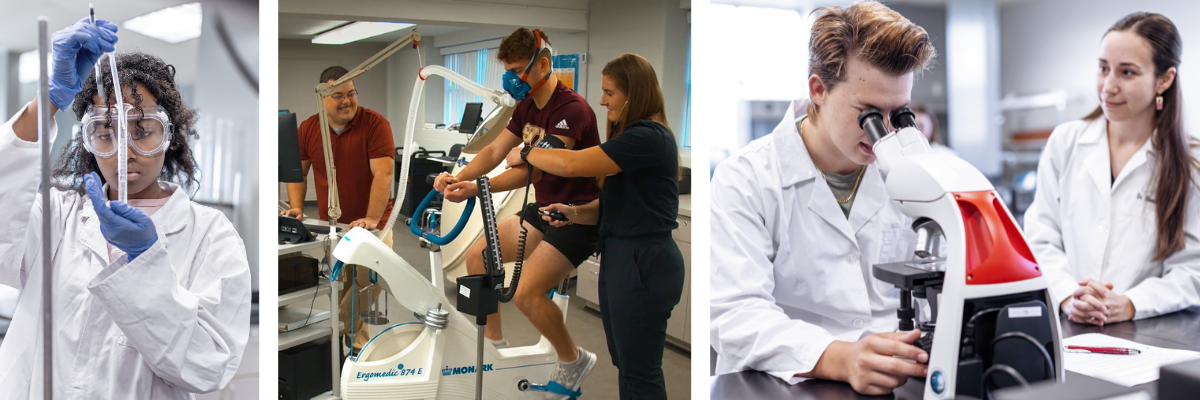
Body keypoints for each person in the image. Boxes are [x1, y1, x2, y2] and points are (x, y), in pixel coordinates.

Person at [0, 18, 250, 398]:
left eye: (142, 130)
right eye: (105, 132)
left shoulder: (210, 235)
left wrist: (145, 261)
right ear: (89, 141)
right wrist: (47, 100)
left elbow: (208, 365)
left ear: (169, 137)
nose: (123, 150)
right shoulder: (58, 216)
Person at [709, 1, 937, 395]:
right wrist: (841, 357)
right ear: (818, 89)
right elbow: (734, 314)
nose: (885, 131)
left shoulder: (913, 172)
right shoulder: (746, 178)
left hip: (894, 381)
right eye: (868, 113)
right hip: (784, 384)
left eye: (899, 115)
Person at [432, 27, 601, 397]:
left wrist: (479, 187)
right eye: (507, 69)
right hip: (543, 210)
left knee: (525, 293)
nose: (512, 77)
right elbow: (495, 152)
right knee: (478, 257)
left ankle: (574, 358)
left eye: (519, 68)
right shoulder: (526, 106)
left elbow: (538, 169)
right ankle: (496, 348)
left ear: (543, 64)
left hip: (576, 217)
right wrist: (456, 178)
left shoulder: (571, 109)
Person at [513, 53, 685, 400]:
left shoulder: (647, 136)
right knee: (626, 363)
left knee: (641, 370)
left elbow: (571, 164)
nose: (603, 100)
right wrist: (572, 213)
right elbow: (609, 207)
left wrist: (527, 152)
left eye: (610, 92)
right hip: (622, 254)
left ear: (633, 94)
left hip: (643, 261)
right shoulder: (634, 138)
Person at [1025, 12, 1200, 326]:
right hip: (1069, 323)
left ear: (1165, 79)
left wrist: (1131, 303)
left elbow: (1192, 270)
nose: (1108, 86)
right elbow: (1040, 237)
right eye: (1103, 68)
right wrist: (1069, 295)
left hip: (1150, 332)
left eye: (1127, 73)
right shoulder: (1066, 142)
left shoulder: (1190, 162)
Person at [281, 65, 396, 352]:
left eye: (352, 93)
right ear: (322, 97)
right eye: (338, 95)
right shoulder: (308, 128)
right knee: (343, 284)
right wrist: (296, 207)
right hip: (333, 224)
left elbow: (383, 174)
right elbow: (299, 173)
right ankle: (357, 347)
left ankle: (338, 325)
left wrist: (371, 218)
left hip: (376, 221)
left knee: (371, 279)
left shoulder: (375, 124)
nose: (347, 101)